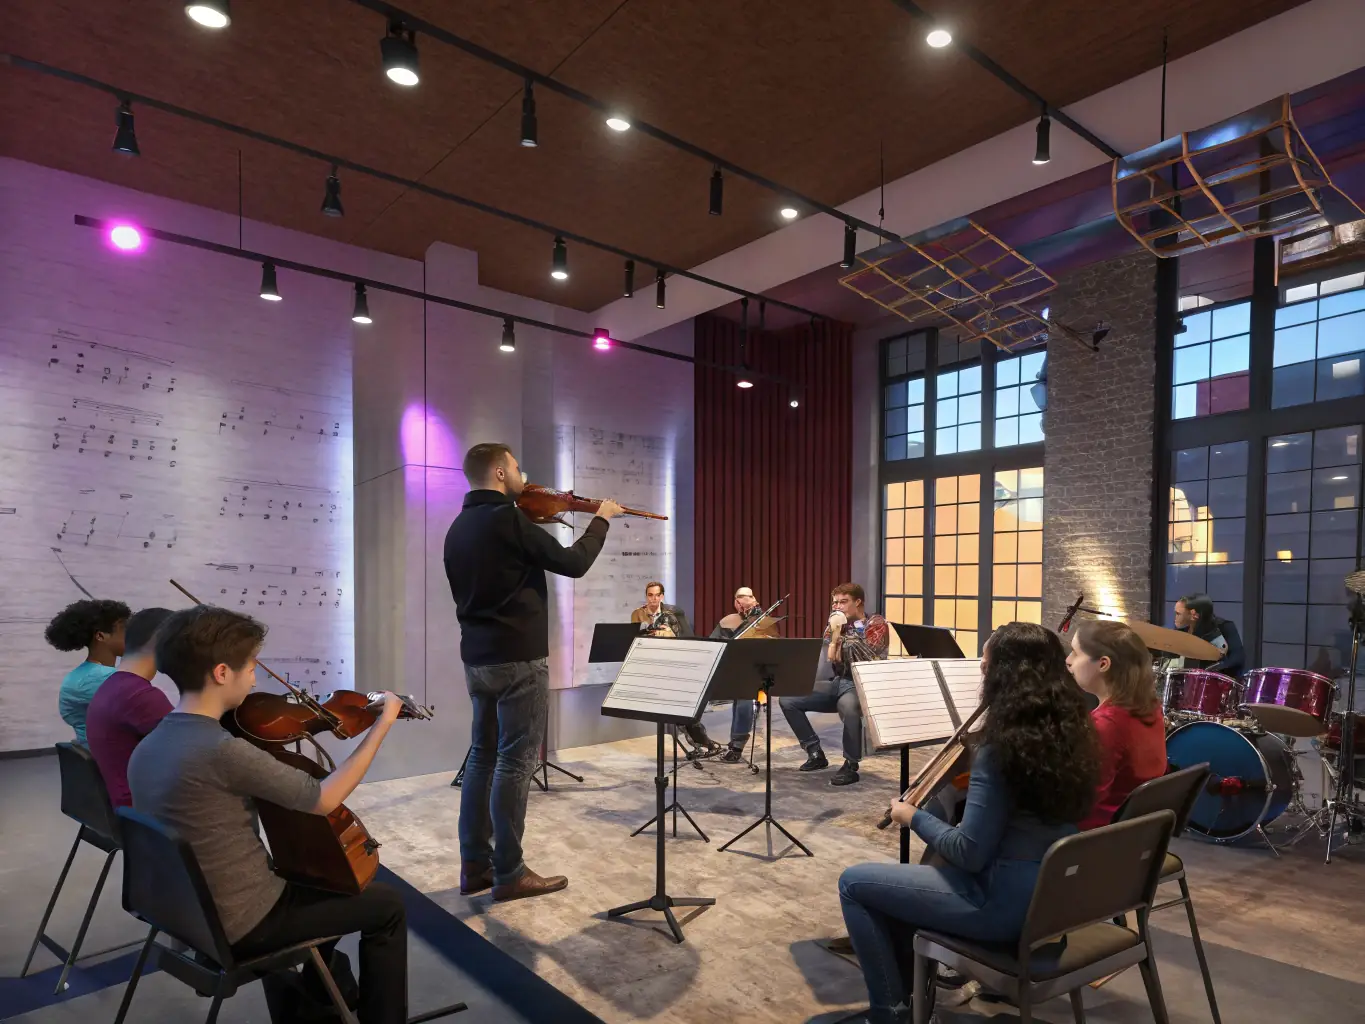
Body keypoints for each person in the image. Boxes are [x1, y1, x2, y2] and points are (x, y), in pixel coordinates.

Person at [128, 605, 409, 1024]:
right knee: (386, 904)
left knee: (324, 881)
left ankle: (317, 1001)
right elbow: (324, 798)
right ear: (222, 673)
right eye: (251, 667)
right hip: (246, 920)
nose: (256, 678)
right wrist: (381, 725)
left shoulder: (149, 745)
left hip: (183, 914)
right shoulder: (220, 750)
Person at [837, 622, 1101, 1024]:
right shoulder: (1072, 730)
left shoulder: (1000, 746)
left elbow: (969, 852)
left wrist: (912, 815)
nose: (980, 666)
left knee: (855, 884)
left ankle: (889, 1013)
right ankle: (911, 999)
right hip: (1053, 895)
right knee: (906, 882)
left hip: (1003, 904)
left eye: (985, 658)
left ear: (1003, 673)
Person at [444, 443, 623, 902]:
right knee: (515, 762)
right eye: (519, 467)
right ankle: (509, 873)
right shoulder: (508, 520)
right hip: (519, 659)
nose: (525, 474)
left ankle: (474, 867)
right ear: (501, 473)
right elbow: (574, 563)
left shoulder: (458, 527)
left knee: (483, 758)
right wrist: (599, 519)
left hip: (477, 659)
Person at [780, 583, 888, 786]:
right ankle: (814, 752)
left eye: (843, 602)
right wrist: (836, 637)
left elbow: (867, 655)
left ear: (858, 602)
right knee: (788, 699)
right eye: (835, 602)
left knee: (850, 708)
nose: (837, 607)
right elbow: (831, 656)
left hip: (860, 684)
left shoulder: (876, 622)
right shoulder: (835, 623)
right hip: (838, 681)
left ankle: (851, 763)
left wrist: (839, 640)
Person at [1067, 619, 1168, 830]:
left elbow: (1085, 803)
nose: (1068, 661)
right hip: (1135, 833)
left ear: (1103, 664)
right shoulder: (1151, 708)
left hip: (1099, 837)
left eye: (1075, 653)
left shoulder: (1106, 724)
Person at [85, 606, 175, 807]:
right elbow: (196, 753)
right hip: (142, 811)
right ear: (160, 641)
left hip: (123, 800)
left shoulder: (115, 685)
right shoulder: (139, 696)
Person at [45, 598, 131, 744]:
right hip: (114, 757)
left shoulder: (73, 677)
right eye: (123, 629)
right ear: (101, 636)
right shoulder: (111, 678)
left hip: (89, 751)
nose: (130, 635)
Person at [712, 587, 778, 763]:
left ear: (754, 599)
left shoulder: (764, 620)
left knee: (744, 698)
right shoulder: (727, 621)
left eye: (747, 597)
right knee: (739, 695)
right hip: (733, 668)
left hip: (757, 670)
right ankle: (726, 741)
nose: (742, 601)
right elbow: (714, 644)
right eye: (739, 598)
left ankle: (737, 745)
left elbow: (774, 646)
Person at [1174, 592, 1245, 676]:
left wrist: (1216, 669)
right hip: (1187, 680)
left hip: (1215, 681)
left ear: (1194, 615)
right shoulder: (1182, 630)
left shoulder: (1224, 627)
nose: (1175, 617)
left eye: (1178, 614)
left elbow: (1238, 658)